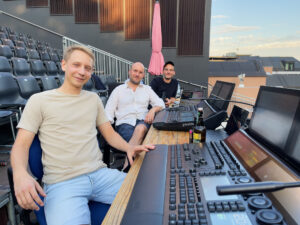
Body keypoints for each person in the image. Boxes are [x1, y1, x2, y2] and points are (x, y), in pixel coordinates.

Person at [10, 45, 154, 225]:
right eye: (76, 65)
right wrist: (20, 174)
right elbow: (21, 145)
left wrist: (129, 147)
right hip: (62, 183)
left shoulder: (93, 99)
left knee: (152, 195)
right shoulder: (39, 101)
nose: (81, 71)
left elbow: (109, 134)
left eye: (87, 68)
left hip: (101, 175)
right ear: (64, 65)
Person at [105, 62, 165, 146]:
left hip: (143, 121)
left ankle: (130, 155)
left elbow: (161, 103)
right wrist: (109, 134)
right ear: (130, 72)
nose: (137, 74)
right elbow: (108, 112)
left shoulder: (147, 89)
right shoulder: (118, 90)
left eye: (140, 72)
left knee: (140, 129)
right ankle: (133, 154)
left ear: (143, 75)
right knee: (144, 140)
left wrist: (153, 110)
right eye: (135, 71)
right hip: (124, 124)